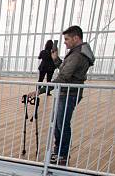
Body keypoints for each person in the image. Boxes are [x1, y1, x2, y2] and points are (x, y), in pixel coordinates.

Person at [27, 25, 95, 165]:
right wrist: (56, 59)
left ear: (76, 38)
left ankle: (62, 155)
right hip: (66, 92)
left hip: (69, 94)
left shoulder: (77, 55)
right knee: (59, 124)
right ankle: (58, 152)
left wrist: (39, 91)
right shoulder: (77, 52)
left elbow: (63, 77)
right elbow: (65, 69)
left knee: (62, 124)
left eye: (67, 39)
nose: (64, 42)